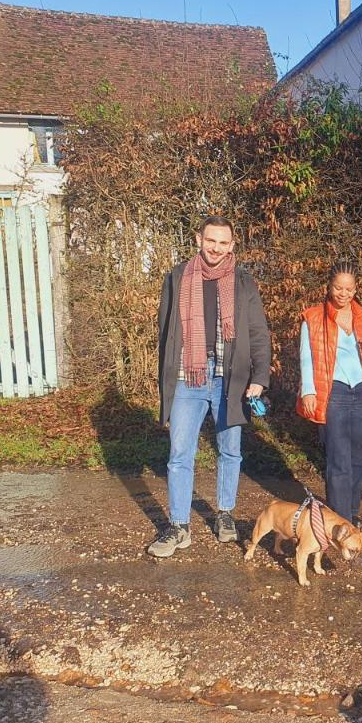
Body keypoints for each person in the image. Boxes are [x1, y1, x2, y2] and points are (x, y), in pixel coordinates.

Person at [150, 215, 271, 558]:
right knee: (179, 455)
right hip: (188, 379)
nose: (216, 248)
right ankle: (179, 526)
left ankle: (224, 514)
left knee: (230, 450)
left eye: (223, 242)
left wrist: (259, 378)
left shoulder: (243, 283)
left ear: (232, 245)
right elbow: (165, 333)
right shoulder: (177, 278)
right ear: (199, 239)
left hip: (229, 379)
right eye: (210, 240)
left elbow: (259, 333)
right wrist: (167, 378)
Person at [298, 260, 362, 526]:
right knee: (339, 457)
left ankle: (351, 508)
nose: (343, 294)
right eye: (338, 288)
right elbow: (306, 357)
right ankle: (341, 518)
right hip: (333, 391)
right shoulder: (313, 317)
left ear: (356, 290)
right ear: (329, 287)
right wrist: (308, 391)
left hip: (361, 392)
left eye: (349, 289)